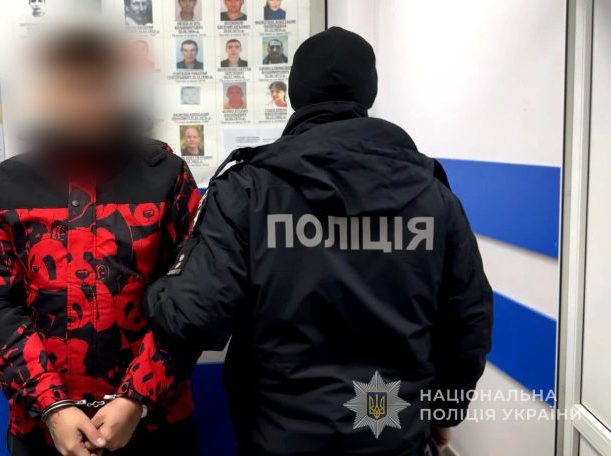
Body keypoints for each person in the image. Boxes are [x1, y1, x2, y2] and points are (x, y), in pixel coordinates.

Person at [143, 27, 493, 456]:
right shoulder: (432, 195)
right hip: (393, 432)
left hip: (279, 438)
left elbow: (194, 317)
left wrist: (154, 284)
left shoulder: (248, 190)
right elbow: (468, 324)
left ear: (294, 93)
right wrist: (444, 414)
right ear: (369, 92)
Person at [0, 29, 201, 456]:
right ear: (47, 94)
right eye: (69, 87)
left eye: (94, 86)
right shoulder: (6, 186)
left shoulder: (167, 177)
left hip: (155, 423)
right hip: (43, 429)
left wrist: (135, 399)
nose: (82, 102)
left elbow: (190, 299)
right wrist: (52, 406)